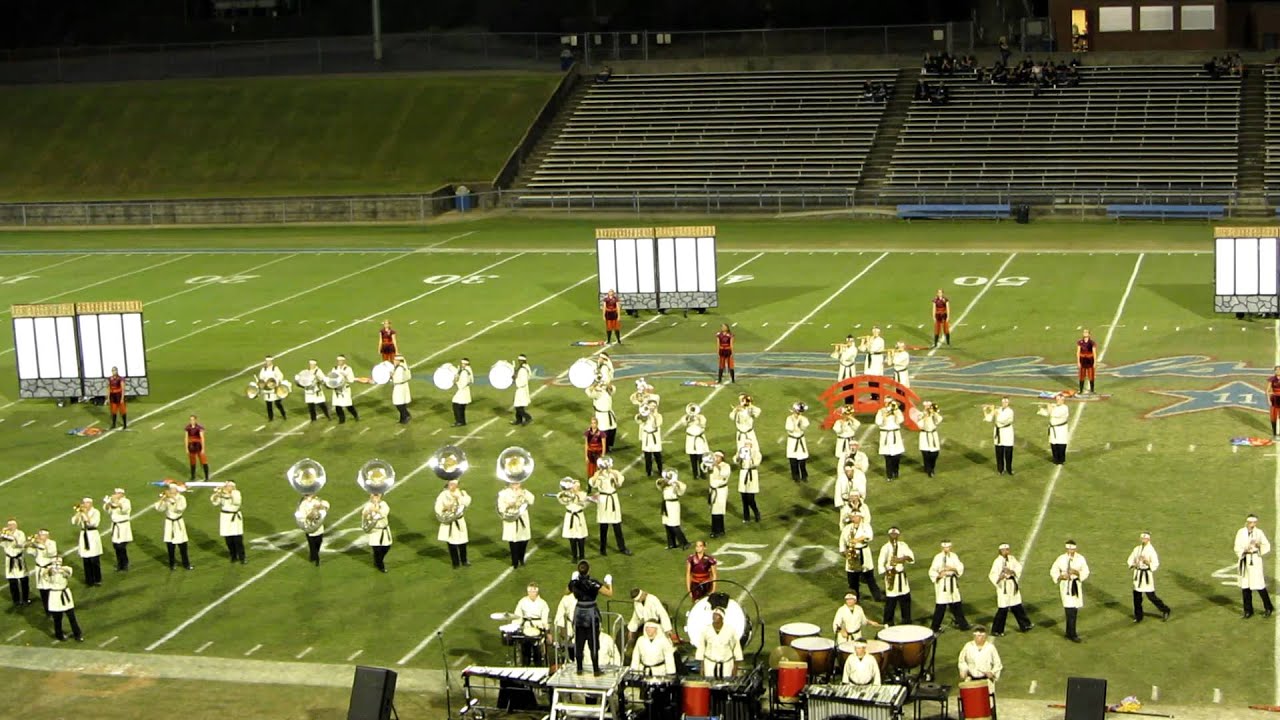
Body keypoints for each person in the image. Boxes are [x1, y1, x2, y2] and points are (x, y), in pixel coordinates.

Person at [571, 561, 615, 674]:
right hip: (591, 614)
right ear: (589, 570)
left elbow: (566, 591)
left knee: (579, 641)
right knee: (593, 642)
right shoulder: (593, 583)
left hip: (579, 613)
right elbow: (609, 593)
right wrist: (609, 583)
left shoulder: (574, 583)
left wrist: (573, 582)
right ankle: (596, 669)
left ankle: (579, 668)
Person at [1050, 540, 1090, 642]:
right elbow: (1053, 570)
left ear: (1075, 549)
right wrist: (1060, 577)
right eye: (1068, 549)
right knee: (1069, 610)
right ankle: (1073, 634)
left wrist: (1076, 572)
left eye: (1072, 549)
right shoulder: (1061, 558)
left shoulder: (1080, 558)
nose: (1070, 551)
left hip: (1075, 585)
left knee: (1074, 609)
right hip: (1065, 586)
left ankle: (1069, 632)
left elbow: (1086, 571)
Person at [988, 543, 1033, 635]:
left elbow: (1018, 568)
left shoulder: (1012, 559)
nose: (1006, 551)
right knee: (1003, 609)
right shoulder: (997, 562)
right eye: (1004, 550)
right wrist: (1000, 577)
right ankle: (997, 630)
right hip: (1003, 586)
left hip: (1012, 584)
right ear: (1000, 551)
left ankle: (1025, 625)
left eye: (1007, 549)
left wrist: (1012, 571)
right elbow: (992, 575)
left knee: (1017, 606)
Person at [1235, 514, 1273, 618]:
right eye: (1251, 523)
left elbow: (1267, 545)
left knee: (1259, 585)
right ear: (1247, 522)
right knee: (1245, 587)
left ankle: (1268, 607)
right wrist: (1243, 551)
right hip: (1244, 559)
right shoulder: (1240, 532)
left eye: (1254, 523)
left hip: (1255, 560)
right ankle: (1248, 611)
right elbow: (1237, 546)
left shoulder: (1259, 533)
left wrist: (1259, 545)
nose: (1253, 525)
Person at [1128, 531, 1171, 623]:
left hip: (1146, 576)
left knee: (1151, 597)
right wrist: (1133, 564)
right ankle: (1138, 616)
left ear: (1148, 539)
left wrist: (1147, 562)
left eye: (1145, 538)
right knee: (1137, 598)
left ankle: (1165, 610)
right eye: (1142, 538)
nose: (1143, 540)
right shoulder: (1137, 549)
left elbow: (1155, 564)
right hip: (1138, 575)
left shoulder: (1151, 550)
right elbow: (1130, 559)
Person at [590, 460, 631, 556]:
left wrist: (612, 472)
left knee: (617, 525)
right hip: (603, 500)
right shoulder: (598, 474)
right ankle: (602, 549)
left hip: (613, 499)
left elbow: (619, 484)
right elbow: (592, 483)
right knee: (603, 526)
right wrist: (598, 473)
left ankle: (622, 548)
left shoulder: (615, 472)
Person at [929, 541, 971, 633]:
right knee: (941, 606)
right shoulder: (938, 557)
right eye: (945, 548)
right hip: (943, 583)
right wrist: (938, 576)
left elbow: (959, 567)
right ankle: (935, 627)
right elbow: (932, 570)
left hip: (952, 582)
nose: (946, 549)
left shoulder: (954, 556)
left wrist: (951, 569)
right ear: (942, 548)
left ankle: (963, 624)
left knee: (956, 604)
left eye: (948, 547)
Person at [878, 527, 915, 624]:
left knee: (905, 600)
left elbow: (911, 558)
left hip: (901, 576)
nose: (893, 537)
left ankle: (906, 621)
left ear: (898, 536)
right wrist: (886, 574)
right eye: (892, 535)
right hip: (891, 575)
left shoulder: (903, 545)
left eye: (895, 535)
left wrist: (901, 559)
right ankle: (888, 622)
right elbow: (880, 563)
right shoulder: (885, 548)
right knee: (891, 601)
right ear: (889, 536)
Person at [842, 513, 880, 601]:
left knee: (869, 576)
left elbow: (869, 536)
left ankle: (877, 596)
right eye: (852, 517)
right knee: (852, 578)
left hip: (864, 552)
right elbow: (842, 540)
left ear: (860, 517)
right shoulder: (847, 528)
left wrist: (857, 540)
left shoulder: (865, 526)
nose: (854, 518)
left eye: (856, 516)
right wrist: (844, 551)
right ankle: (855, 597)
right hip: (852, 552)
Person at [44, 558, 83, 642]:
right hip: (55, 595)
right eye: (55, 563)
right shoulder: (49, 570)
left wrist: (60, 570)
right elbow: (45, 575)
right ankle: (59, 634)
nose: (57, 564)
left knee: (71, 616)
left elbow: (68, 573)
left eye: (59, 563)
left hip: (65, 594)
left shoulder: (66, 568)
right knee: (57, 618)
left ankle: (78, 634)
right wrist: (51, 570)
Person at [696, 608, 743, 679]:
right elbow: (701, 648)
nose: (714, 617)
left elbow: (736, 648)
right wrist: (702, 667)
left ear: (722, 617)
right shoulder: (706, 630)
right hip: (710, 665)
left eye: (717, 615)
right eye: (713, 615)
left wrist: (735, 667)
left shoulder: (730, 630)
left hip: (726, 665)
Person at [155, 484, 192, 571]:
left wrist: (174, 499)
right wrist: (162, 499)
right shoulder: (166, 498)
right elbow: (159, 509)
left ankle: (186, 564)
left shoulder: (181, 498)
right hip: (169, 523)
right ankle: (172, 564)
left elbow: (180, 509)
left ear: (176, 490)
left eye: (172, 489)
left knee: (182, 545)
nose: (170, 490)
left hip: (178, 523)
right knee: (170, 545)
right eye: (170, 489)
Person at [436, 478, 471, 569]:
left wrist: (458, 497)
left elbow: (467, 502)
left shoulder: (461, 493)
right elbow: (437, 508)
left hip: (459, 521)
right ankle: (455, 563)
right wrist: (445, 508)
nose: (453, 486)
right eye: (451, 484)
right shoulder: (443, 495)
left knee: (463, 542)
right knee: (451, 543)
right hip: (449, 522)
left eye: (454, 484)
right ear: (448, 484)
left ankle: (464, 560)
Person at [499, 481, 535, 568]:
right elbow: (500, 508)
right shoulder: (503, 493)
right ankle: (514, 562)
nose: (516, 485)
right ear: (510, 484)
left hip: (523, 518)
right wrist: (508, 505)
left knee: (524, 540)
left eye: (518, 483)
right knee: (513, 541)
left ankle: (521, 558)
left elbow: (531, 501)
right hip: (511, 519)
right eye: (514, 483)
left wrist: (523, 494)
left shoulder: (524, 492)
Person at [514, 583, 551, 666]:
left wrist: (546, 629)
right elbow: (517, 616)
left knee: (537, 651)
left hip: (538, 627)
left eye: (533, 591)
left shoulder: (543, 603)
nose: (531, 593)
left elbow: (545, 618)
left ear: (537, 592)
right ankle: (525, 665)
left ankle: (538, 665)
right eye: (529, 591)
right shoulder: (522, 602)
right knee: (525, 651)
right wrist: (516, 626)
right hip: (526, 627)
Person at [210, 481, 246, 565]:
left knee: (238, 540)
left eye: (229, 486)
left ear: (233, 487)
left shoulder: (236, 493)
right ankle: (233, 556)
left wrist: (226, 494)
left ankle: (242, 557)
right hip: (225, 518)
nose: (227, 487)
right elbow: (215, 502)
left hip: (235, 519)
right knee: (229, 540)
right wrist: (217, 494)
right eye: (226, 486)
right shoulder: (222, 494)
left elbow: (236, 502)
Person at [70, 498, 103, 587]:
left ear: (91, 504)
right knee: (86, 559)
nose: (85, 505)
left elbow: (92, 523)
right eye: (84, 503)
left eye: (87, 503)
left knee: (94, 559)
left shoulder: (96, 512)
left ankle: (97, 579)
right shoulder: (81, 512)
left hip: (92, 535)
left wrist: (85, 514)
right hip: (84, 535)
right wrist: (78, 513)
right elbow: (74, 522)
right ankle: (89, 580)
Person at [558, 478, 590, 561]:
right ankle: (574, 556)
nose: (577, 487)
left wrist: (575, 496)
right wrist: (565, 494)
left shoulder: (583, 494)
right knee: (572, 538)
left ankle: (582, 556)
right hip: (570, 516)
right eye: (575, 486)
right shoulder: (566, 494)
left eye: (578, 486)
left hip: (579, 516)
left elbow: (583, 502)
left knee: (581, 538)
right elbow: (561, 500)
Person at [1, 519, 31, 606]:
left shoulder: (20, 533)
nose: (10, 526)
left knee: (24, 580)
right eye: (9, 525)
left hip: (19, 559)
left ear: (15, 526)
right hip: (9, 560)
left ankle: (25, 599)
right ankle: (16, 600)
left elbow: (19, 545)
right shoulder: (5, 533)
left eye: (12, 525)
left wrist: (12, 537)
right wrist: (2, 535)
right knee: (12, 581)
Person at [296, 493, 330, 566]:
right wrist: (310, 515)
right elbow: (301, 515)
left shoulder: (317, 501)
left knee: (318, 543)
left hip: (319, 528)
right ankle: (315, 558)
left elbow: (326, 505)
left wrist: (321, 507)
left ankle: (314, 556)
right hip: (309, 527)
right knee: (312, 545)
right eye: (307, 495)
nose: (308, 497)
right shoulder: (303, 504)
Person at [658, 470, 689, 550]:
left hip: (673, 505)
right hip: (666, 505)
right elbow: (658, 483)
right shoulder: (664, 485)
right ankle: (671, 544)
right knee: (667, 525)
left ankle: (685, 542)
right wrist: (664, 480)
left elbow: (682, 489)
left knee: (674, 525)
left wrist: (675, 482)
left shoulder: (675, 485)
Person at [28, 529, 57, 612]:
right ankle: (46, 609)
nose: (40, 536)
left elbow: (51, 553)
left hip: (48, 569)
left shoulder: (52, 543)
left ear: (47, 536)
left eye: (42, 535)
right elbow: (30, 552)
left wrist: (41, 544)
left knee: (50, 589)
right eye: (39, 535)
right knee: (42, 590)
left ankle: (53, 607)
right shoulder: (37, 544)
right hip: (39, 569)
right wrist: (31, 543)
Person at [875, 400, 905, 481]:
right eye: (887, 403)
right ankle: (889, 475)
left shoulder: (897, 411)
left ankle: (896, 471)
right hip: (886, 436)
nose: (888, 404)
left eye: (890, 402)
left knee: (896, 456)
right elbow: (878, 422)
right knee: (887, 457)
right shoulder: (881, 411)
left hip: (895, 435)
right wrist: (884, 417)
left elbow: (901, 420)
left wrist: (895, 414)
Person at [103, 489, 132, 572]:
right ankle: (120, 564)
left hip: (123, 526)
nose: (116, 495)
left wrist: (117, 502)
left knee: (121, 546)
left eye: (118, 493)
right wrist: (108, 503)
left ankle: (125, 563)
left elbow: (125, 510)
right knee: (116, 546)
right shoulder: (113, 501)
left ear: (122, 494)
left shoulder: (126, 501)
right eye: (115, 493)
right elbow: (107, 510)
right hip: (115, 526)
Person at [362, 493, 392, 573]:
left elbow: (384, 514)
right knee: (377, 550)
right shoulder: (368, 505)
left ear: (380, 497)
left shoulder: (384, 504)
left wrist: (376, 510)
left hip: (384, 530)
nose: (375, 498)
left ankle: (378, 560)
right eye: (373, 496)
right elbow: (365, 516)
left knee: (386, 548)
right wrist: (367, 514)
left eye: (377, 496)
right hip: (374, 531)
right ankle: (380, 565)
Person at [985, 397, 1015, 475]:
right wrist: (986, 410)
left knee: (1008, 453)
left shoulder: (1010, 411)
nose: (1004, 403)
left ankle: (1009, 469)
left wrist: (995, 412)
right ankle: (1000, 470)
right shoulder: (998, 410)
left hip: (1007, 432)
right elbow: (988, 419)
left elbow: (1002, 420)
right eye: (1003, 402)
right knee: (999, 452)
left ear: (1008, 403)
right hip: (998, 432)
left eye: (1006, 402)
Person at [1039, 394, 1070, 465]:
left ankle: (1061, 460)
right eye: (1057, 399)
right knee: (1053, 444)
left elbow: (1053, 413)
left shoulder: (1065, 408)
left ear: (1063, 400)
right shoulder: (1055, 406)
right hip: (1053, 429)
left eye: (1059, 400)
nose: (1057, 401)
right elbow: (1047, 413)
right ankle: (1055, 458)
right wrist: (1041, 409)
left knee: (1061, 444)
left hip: (1061, 429)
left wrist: (1049, 407)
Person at [736, 440, 762, 523]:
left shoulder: (756, 453)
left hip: (752, 474)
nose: (747, 446)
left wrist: (750, 456)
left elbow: (757, 463)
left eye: (748, 444)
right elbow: (736, 460)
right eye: (745, 444)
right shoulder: (741, 451)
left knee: (750, 498)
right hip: (743, 473)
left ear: (751, 445)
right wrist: (740, 457)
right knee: (744, 497)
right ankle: (746, 517)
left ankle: (756, 512)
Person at [587, 380, 617, 450]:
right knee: (604, 432)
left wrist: (607, 384)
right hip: (601, 415)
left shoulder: (607, 390)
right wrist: (594, 386)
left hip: (609, 413)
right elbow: (589, 393)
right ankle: (603, 448)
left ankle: (609, 446)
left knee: (612, 430)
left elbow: (613, 390)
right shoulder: (596, 392)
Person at [638, 400, 664, 477]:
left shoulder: (659, 416)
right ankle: (648, 471)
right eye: (651, 406)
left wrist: (653, 416)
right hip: (646, 437)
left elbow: (657, 425)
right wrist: (644, 415)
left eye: (654, 406)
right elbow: (638, 420)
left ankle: (660, 470)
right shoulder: (644, 414)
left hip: (655, 438)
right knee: (647, 456)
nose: (652, 407)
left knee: (658, 456)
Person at [256, 355, 287, 421]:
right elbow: (261, 378)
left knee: (277, 403)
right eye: (266, 361)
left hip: (274, 389)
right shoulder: (263, 369)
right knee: (268, 404)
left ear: (271, 361)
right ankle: (271, 418)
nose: (267, 362)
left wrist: (275, 383)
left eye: (269, 361)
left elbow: (280, 376)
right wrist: (262, 383)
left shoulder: (275, 368)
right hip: (267, 389)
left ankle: (283, 414)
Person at [785, 402, 810, 482]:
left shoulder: (803, 419)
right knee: (793, 461)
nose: (799, 413)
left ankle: (804, 476)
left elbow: (805, 426)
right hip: (792, 441)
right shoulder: (789, 418)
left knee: (802, 461)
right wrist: (794, 422)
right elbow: (789, 428)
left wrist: (800, 422)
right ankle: (795, 476)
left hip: (800, 440)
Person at [684, 403, 710, 480]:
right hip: (691, 440)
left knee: (701, 458)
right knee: (693, 458)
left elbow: (703, 424)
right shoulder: (687, 417)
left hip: (699, 440)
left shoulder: (701, 417)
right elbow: (683, 423)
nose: (693, 411)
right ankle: (695, 474)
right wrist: (688, 419)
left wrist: (698, 419)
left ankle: (703, 473)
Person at [707, 451, 730, 538]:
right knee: (713, 510)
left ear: (722, 458)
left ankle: (720, 530)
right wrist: (710, 465)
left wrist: (716, 466)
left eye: (718, 457)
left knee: (719, 510)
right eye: (715, 456)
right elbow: (704, 469)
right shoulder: (711, 465)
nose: (716, 458)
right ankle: (714, 530)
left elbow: (724, 474)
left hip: (721, 490)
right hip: (713, 490)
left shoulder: (725, 466)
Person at [331, 355, 359, 423]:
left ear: (344, 361)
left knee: (348, 404)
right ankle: (341, 419)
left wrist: (345, 377)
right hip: (336, 389)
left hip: (345, 389)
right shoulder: (334, 368)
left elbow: (351, 380)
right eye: (338, 361)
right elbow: (331, 377)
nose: (339, 362)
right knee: (337, 405)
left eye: (341, 360)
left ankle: (355, 415)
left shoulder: (348, 369)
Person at [918, 401, 943, 477]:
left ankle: (931, 467)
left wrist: (934, 413)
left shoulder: (934, 414)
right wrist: (924, 417)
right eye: (927, 407)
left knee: (935, 453)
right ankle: (929, 470)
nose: (928, 408)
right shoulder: (921, 414)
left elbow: (939, 420)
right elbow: (919, 425)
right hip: (924, 435)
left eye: (930, 407)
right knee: (925, 453)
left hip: (933, 435)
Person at [831, 335, 858, 404]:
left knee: (850, 387)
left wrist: (842, 349)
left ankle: (851, 404)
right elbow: (834, 356)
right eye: (848, 341)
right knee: (844, 387)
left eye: (850, 341)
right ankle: (847, 403)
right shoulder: (844, 348)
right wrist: (837, 350)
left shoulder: (854, 349)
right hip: (843, 369)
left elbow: (847, 357)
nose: (849, 343)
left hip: (850, 370)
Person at [184, 415, 209, 482]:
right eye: (190, 420)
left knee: (203, 461)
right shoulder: (187, 427)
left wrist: (203, 448)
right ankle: (193, 476)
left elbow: (202, 438)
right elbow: (186, 438)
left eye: (193, 420)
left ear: (195, 420)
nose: (191, 421)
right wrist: (186, 448)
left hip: (198, 445)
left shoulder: (199, 428)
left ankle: (206, 477)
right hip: (191, 446)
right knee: (192, 462)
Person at [512, 354, 532, 425]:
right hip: (523, 389)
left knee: (518, 407)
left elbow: (522, 382)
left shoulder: (523, 370)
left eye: (519, 361)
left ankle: (528, 417)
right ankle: (519, 420)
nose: (518, 362)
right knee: (519, 406)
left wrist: (515, 379)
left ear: (522, 361)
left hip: (521, 390)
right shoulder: (526, 367)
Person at [390, 355, 412, 424]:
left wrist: (391, 377)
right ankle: (403, 418)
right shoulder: (404, 366)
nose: (394, 361)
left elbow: (397, 379)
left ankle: (406, 415)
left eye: (395, 360)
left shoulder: (399, 369)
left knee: (398, 403)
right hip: (404, 385)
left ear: (398, 361)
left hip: (399, 387)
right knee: (402, 402)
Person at [451, 358, 472, 426]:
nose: (461, 364)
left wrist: (456, 380)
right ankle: (461, 421)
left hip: (463, 391)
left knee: (457, 405)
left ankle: (460, 421)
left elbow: (462, 383)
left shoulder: (465, 372)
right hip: (465, 390)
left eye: (462, 363)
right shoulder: (468, 370)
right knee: (460, 406)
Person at [1076, 328, 1098, 395]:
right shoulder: (1080, 342)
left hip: (1090, 360)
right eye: (1084, 332)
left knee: (1091, 375)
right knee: (1081, 376)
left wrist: (1095, 362)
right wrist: (1078, 361)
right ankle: (1081, 390)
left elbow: (1094, 353)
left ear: (1089, 334)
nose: (1085, 333)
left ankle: (1092, 390)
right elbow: (1078, 352)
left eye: (1086, 332)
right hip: (1082, 360)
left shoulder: (1092, 343)